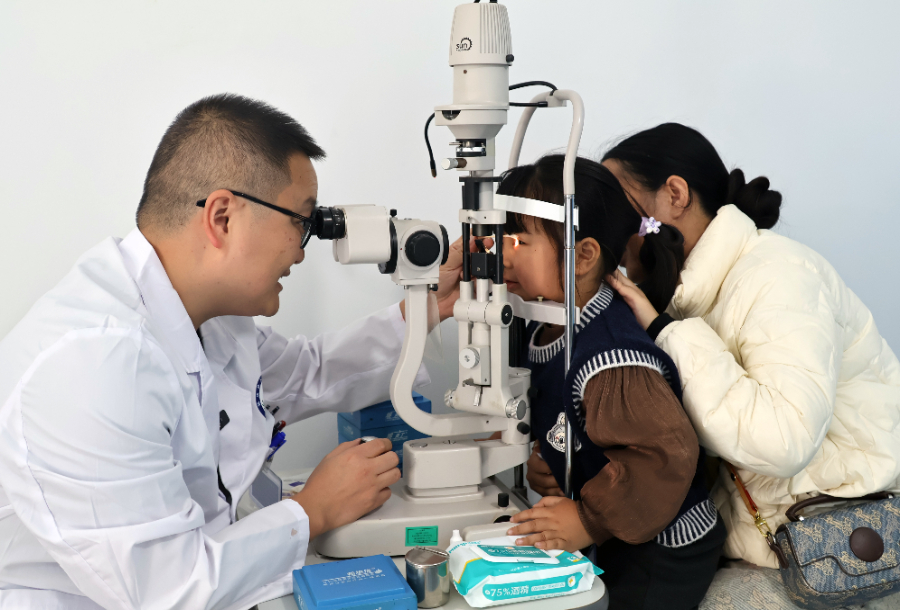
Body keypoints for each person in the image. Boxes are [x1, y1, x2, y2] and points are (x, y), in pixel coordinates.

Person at [0, 94, 474, 610]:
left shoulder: (209, 317)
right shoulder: (97, 365)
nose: (302, 249)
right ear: (222, 217)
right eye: (301, 221)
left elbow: (308, 373)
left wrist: (429, 307)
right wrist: (313, 511)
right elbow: (167, 591)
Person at [597, 123, 900, 607]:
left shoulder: (779, 275)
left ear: (675, 195)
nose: (610, 229)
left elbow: (783, 438)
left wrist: (666, 332)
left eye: (621, 209)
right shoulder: (686, 297)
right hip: (761, 535)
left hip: (833, 544)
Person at [499, 155, 726, 609]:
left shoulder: (611, 358)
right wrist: (549, 457)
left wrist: (587, 519)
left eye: (519, 241)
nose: (501, 254)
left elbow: (664, 455)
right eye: (500, 238)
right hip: (616, 523)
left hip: (663, 546)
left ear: (583, 256)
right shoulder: (541, 323)